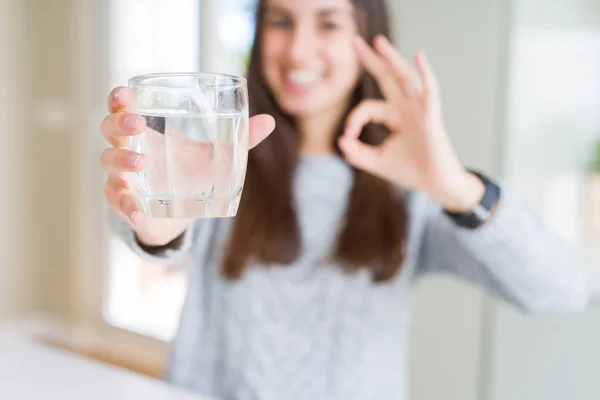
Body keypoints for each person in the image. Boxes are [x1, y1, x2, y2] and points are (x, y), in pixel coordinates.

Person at [100, 0, 589, 398]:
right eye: (281, 21)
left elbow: (561, 290)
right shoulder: (225, 160)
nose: (298, 50)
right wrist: (156, 222)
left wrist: (456, 187)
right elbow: (147, 232)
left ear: (367, 37)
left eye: (328, 23)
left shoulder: (411, 192)